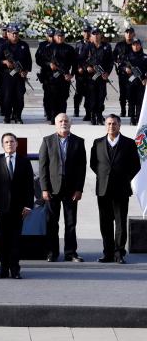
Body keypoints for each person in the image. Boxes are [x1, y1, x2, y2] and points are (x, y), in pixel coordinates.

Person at [90, 114, 140, 264]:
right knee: (105, 223)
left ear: (119, 125)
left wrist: (124, 178)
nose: (111, 126)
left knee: (120, 222)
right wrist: (104, 176)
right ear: (105, 125)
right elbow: (94, 164)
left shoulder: (129, 143)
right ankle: (108, 253)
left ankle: (119, 253)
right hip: (103, 189)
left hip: (121, 189)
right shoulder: (97, 143)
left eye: (114, 124)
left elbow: (135, 165)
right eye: (109, 124)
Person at [38, 113, 86, 262]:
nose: (63, 123)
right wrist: (44, 189)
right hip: (52, 189)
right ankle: (52, 252)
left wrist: (79, 189)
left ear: (70, 124)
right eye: (60, 121)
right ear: (56, 124)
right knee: (52, 222)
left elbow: (81, 168)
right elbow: (43, 167)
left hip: (71, 190)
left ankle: (70, 253)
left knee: (71, 223)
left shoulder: (78, 142)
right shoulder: (47, 141)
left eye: (66, 121)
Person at [0, 133, 33, 279]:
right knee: (3, 241)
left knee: (15, 240)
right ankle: (3, 269)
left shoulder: (24, 162)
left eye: (12, 141)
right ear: (2, 145)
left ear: (17, 144)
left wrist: (28, 205)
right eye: (6, 142)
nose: (9, 144)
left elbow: (29, 185)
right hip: (0, 209)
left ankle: (15, 269)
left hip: (18, 209)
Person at [0, 24, 31, 124]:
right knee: (7, 96)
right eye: (13, 33)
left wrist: (26, 71)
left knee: (19, 97)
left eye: (16, 33)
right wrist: (4, 62)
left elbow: (28, 60)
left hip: (20, 76)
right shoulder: (2, 46)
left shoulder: (24, 45)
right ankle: (7, 116)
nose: (15, 35)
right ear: (8, 34)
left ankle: (17, 116)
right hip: (7, 75)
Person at [78, 27, 113, 125]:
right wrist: (86, 67)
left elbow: (110, 62)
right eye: (94, 34)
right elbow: (81, 60)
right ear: (91, 36)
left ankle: (99, 115)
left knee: (101, 96)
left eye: (98, 33)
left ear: (100, 35)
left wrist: (107, 73)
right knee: (92, 97)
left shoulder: (106, 46)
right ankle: (93, 116)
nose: (96, 36)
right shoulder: (87, 47)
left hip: (102, 77)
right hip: (91, 77)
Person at [43, 29, 77, 124]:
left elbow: (75, 63)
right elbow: (42, 61)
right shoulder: (48, 48)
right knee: (53, 98)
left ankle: (62, 119)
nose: (60, 37)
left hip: (64, 77)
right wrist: (49, 64)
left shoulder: (69, 49)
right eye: (58, 36)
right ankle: (53, 118)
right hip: (52, 78)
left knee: (63, 99)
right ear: (54, 37)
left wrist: (71, 75)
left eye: (62, 36)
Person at [114, 27, 136, 117]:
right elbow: (114, 56)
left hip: (133, 74)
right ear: (124, 34)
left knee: (132, 92)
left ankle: (131, 112)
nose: (129, 34)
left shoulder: (136, 44)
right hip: (123, 73)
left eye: (130, 33)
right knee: (123, 93)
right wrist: (119, 62)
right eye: (127, 33)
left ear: (133, 34)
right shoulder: (119, 45)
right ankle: (123, 110)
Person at [124, 39, 147, 124]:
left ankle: (138, 117)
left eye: (137, 44)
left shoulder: (145, 57)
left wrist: (145, 78)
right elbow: (121, 66)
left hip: (141, 82)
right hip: (130, 82)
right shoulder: (127, 57)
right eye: (134, 45)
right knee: (131, 101)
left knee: (140, 101)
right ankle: (132, 118)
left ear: (140, 45)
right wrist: (125, 68)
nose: (136, 46)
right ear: (132, 46)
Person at [73, 25, 93, 118]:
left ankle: (88, 113)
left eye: (88, 31)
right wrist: (77, 68)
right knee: (78, 93)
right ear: (82, 33)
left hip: (90, 73)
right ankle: (76, 110)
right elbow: (74, 58)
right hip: (80, 73)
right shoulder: (78, 44)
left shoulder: (93, 44)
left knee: (89, 94)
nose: (86, 33)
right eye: (85, 31)